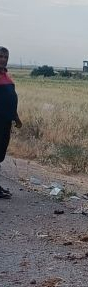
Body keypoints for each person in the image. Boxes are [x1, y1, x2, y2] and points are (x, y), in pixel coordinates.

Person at [0, 46, 22, 198]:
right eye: (0, 56)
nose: (3, 59)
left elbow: (10, 99)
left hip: (6, 121)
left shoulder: (6, 75)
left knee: (0, 154)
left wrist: (16, 117)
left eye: (5, 57)